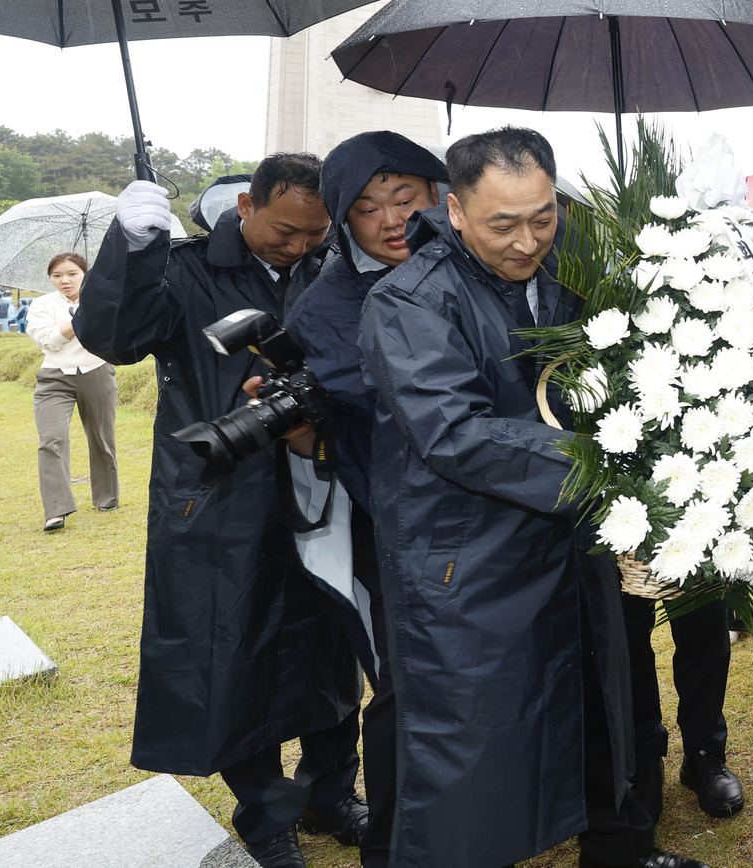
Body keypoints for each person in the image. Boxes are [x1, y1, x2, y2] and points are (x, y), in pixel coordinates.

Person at [357, 127, 706, 868]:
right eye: (503, 224)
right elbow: (455, 433)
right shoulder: (409, 301)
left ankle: (619, 850)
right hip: (469, 560)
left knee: (604, 708)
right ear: (454, 212)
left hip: (576, 545)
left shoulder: (573, 276)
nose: (527, 241)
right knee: (476, 748)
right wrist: (611, 472)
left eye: (543, 218)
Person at [74, 155, 366, 868]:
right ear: (246, 204)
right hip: (217, 493)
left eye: (313, 233)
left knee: (335, 643)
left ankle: (331, 793)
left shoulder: (329, 270)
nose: (297, 246)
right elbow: (114, 336)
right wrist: (133, 246)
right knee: (234, 655)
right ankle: (267, 819)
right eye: (285, 230)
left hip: (319, 477)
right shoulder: (187, 268)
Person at [282, 130, 449, 868]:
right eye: (368, 208)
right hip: (397, 529)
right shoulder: (324, 309)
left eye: (405, 199)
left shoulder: (477, 269)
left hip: (499, 524)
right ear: (344, 223)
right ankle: (390, 845)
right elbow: (407, 412)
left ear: (439, 197)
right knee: (405, 687)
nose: (391, 220)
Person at [24, 253, 119, 531]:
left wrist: (92, 312)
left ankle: (107, 497)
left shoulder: (101, 300)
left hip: (97, 372)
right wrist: (79, 321)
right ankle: (56, 509)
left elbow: (111, 336)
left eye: (72, 273)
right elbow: (49, 341)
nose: (64, 280)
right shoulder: (41, 305)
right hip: (54, 378)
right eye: (57, 275)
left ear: (85, 274)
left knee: (101, 438)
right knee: (51, 439)